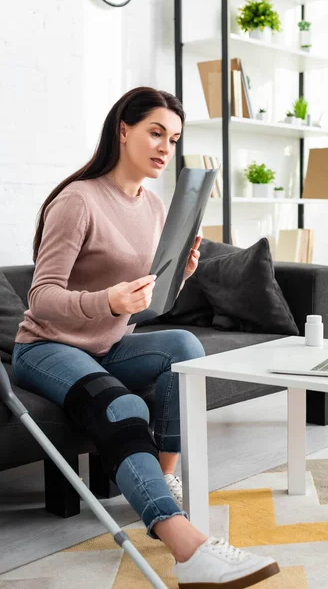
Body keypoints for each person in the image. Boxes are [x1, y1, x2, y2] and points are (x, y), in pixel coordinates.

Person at [12, 87, 279, 587]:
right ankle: (186, 547)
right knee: (123, 407)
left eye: (173, 138)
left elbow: (154, 305)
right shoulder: (78, 200)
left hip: (107, 344)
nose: (164, 147)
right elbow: (41, 296)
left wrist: (181, 276)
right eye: (156, 132)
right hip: (47, 347)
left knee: (184, 349)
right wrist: (107, 302)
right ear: (124, 130)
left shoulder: (155, 208)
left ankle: (162, 474)